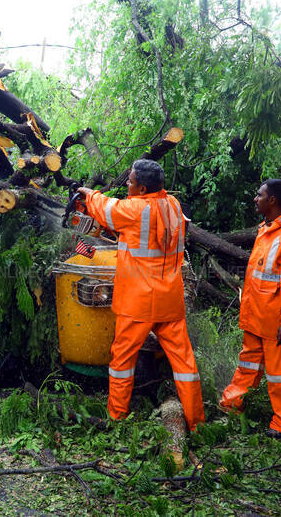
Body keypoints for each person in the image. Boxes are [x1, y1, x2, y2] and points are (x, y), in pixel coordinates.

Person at [76, 159, 204, 431]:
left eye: (131, 182)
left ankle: (117, 416)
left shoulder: (135, 209)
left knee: (122, 359)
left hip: (139, 301)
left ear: (143, 188)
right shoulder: (173, 205)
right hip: (170, 297)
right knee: (183, 361)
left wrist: (89, 194)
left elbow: (106, 208)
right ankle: (196, 421)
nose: (127, 185)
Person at [219, 179, 281, 438]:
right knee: (247, 364)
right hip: (256, 315)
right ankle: (231, 405)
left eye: (259, 195)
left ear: (272, 201)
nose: (255, 199)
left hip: (275, 319)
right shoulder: (266, 229)